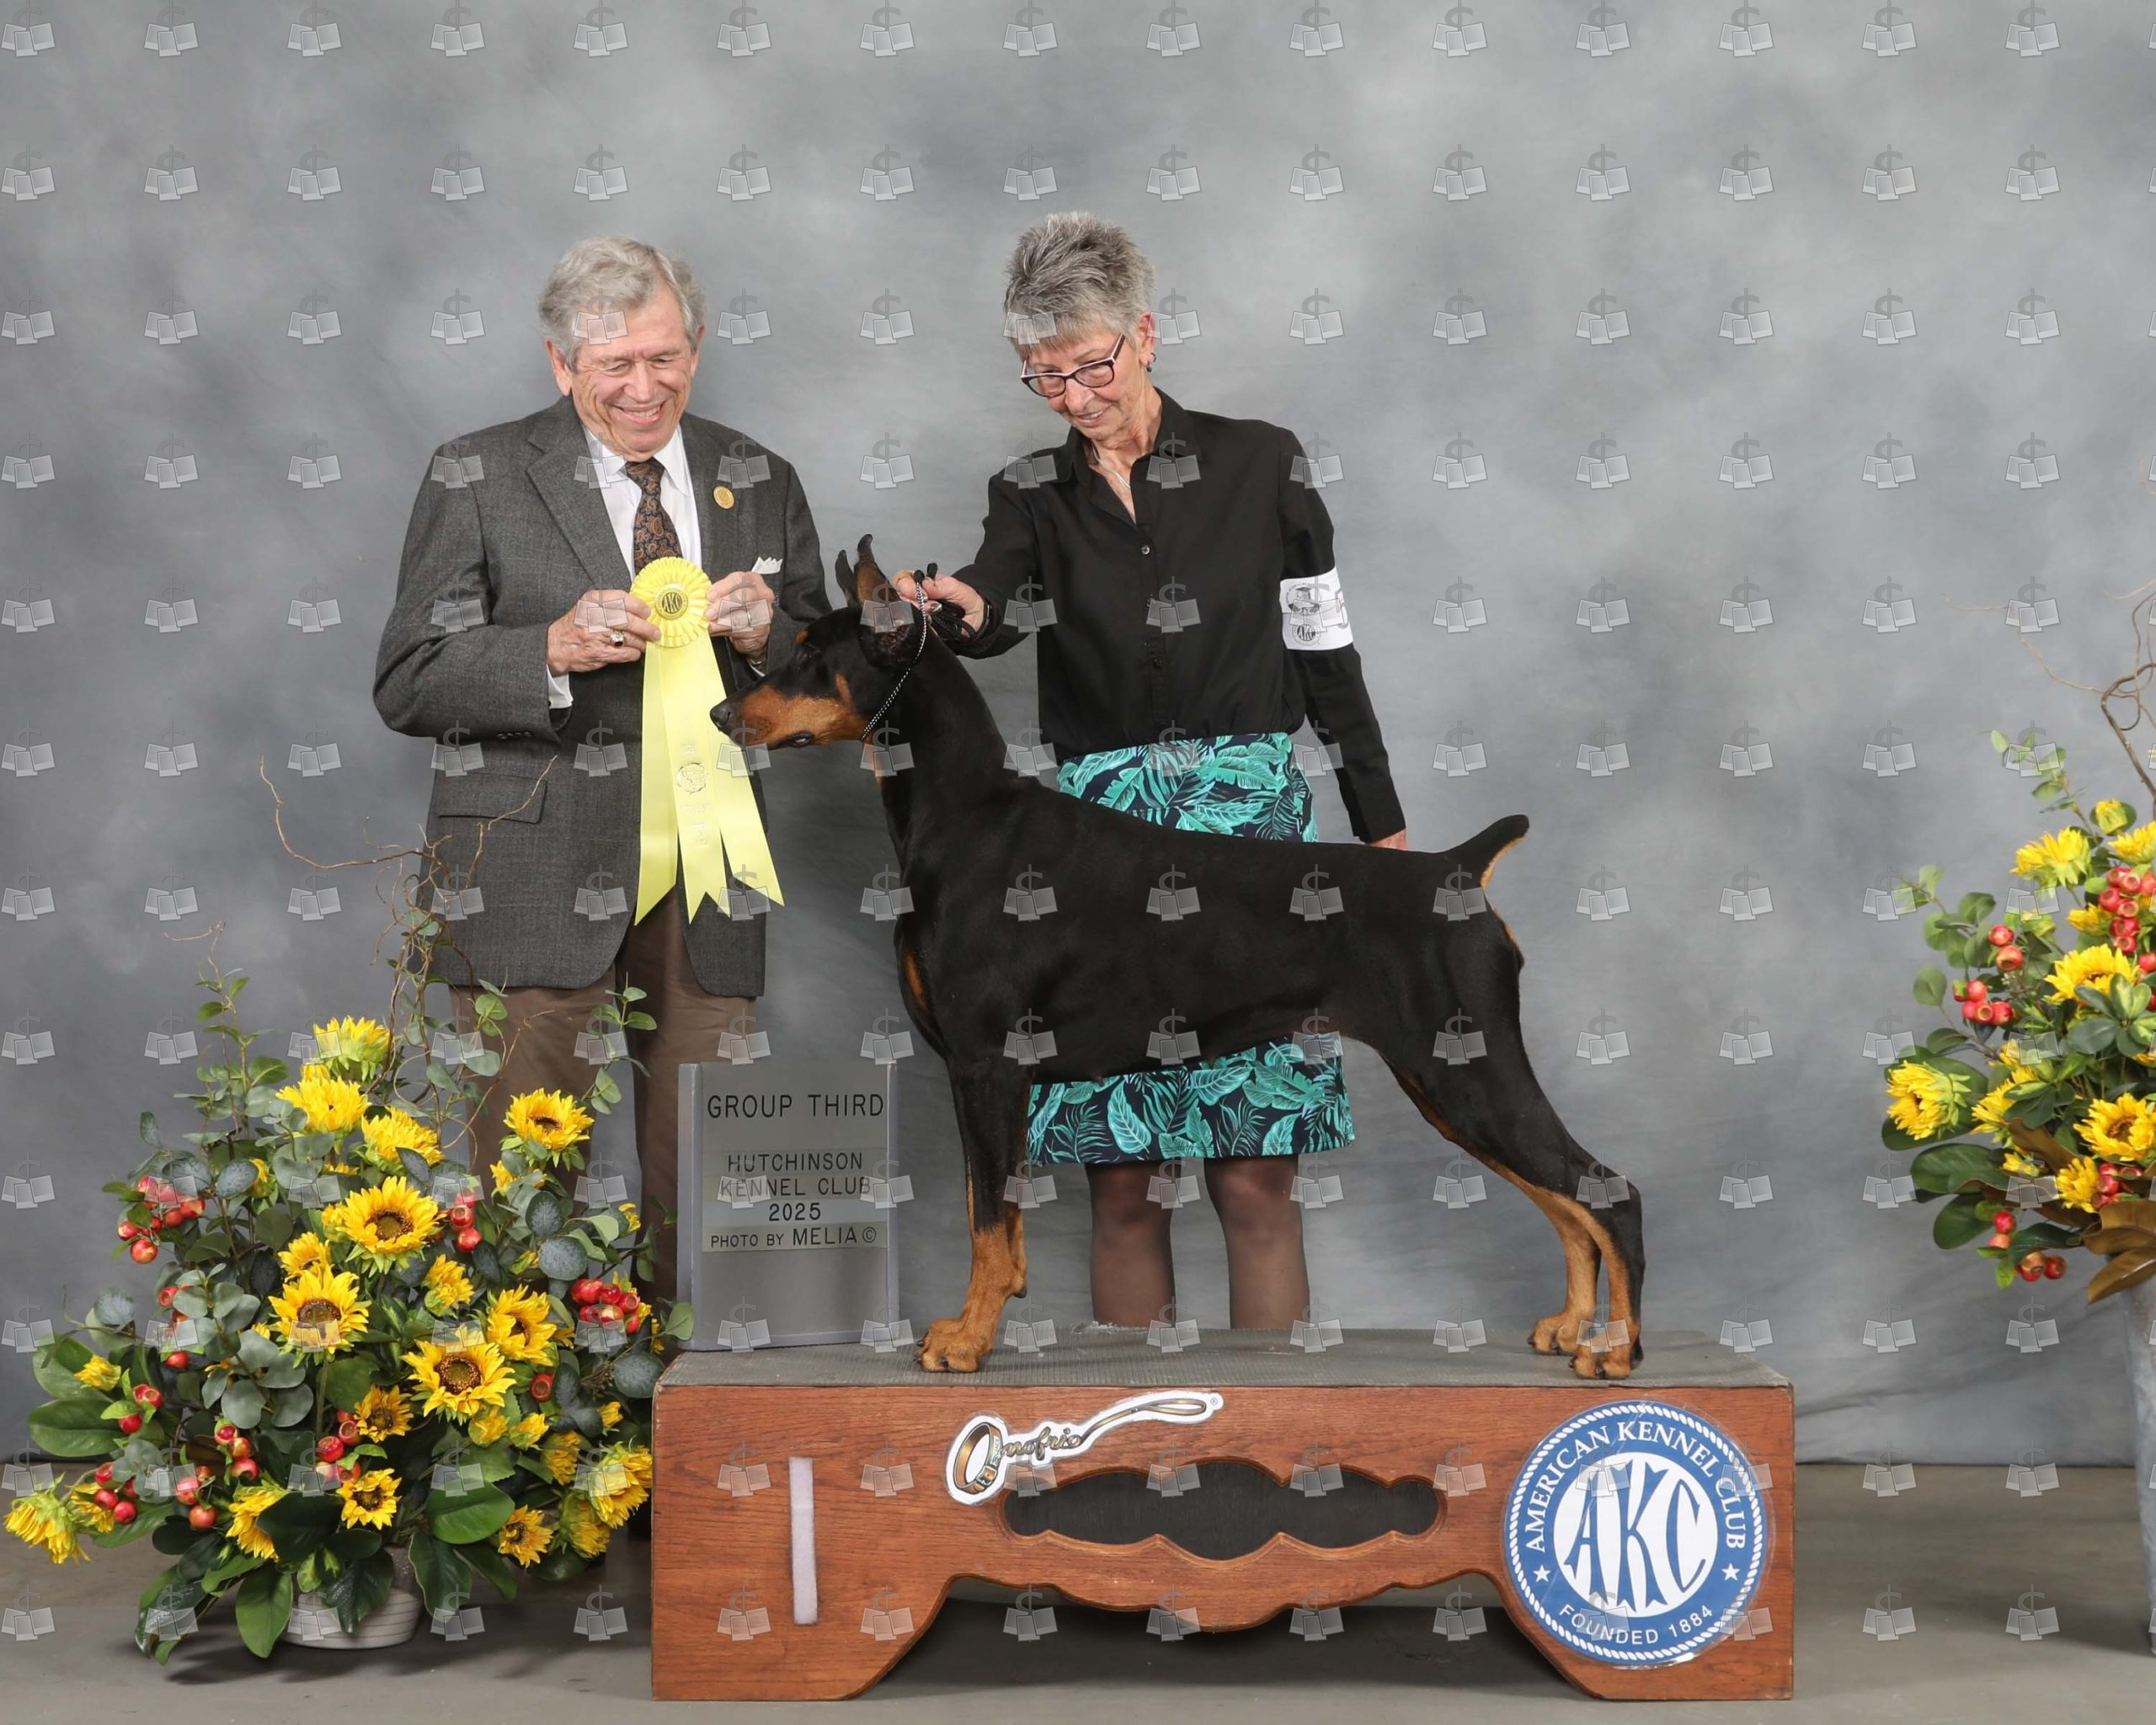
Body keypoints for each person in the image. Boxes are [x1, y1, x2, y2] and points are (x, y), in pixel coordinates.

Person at [894, 212, 1408, 1332]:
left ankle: (1273, 1428)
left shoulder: (1264, 461)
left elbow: (1324, 647)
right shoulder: (1028, 492)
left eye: (1091, 366)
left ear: (1146, 334)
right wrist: (961, 606)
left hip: (1250, 835)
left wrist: (1381, 825)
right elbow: (989, 602)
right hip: (1097, 850)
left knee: (1253, 1170)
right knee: (1123, 1183)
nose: (1074, 398)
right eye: (1045, 378)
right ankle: (1128, 1428)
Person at [372, 234, 831, 1307]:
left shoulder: (759, 475)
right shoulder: (475, 471)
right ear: (559, 361)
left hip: (708, 880)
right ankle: (528, 1406)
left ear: (698, 346)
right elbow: (407, 678)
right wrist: (546, 648)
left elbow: (824, 672)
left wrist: (771, 636)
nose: (643, 387)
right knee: (521, 1200)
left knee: (708, 1189)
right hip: (529, 878)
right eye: (614, 364)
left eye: (665, 358)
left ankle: (694, 1395)